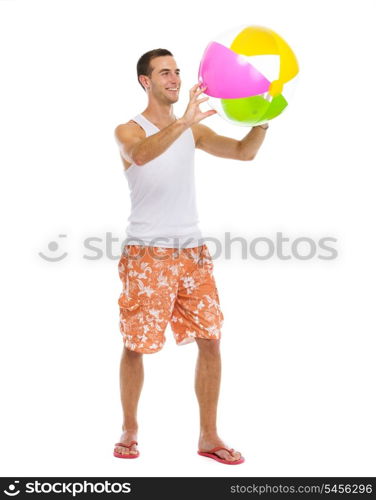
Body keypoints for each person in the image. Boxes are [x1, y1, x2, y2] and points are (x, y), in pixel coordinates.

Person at [113, 48, 268, 464]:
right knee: (137, 345)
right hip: (148, 256)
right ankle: (130, 427)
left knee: (211, 341)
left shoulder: (191, 131)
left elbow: (243, 152)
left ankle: (209, 436)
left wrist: (262, 117)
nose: (175, 78)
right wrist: (184, 122)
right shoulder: (128, 130)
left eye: (177, 71)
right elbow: (141, 154)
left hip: (192, 253)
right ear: (146, 81)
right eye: (165, 72)